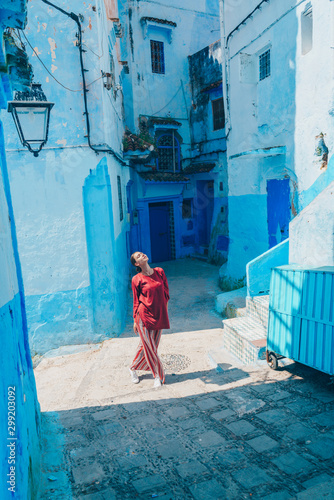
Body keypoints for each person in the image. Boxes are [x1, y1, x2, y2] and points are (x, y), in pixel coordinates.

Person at [129, 251, 170, 388]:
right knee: (150, 347)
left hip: (159, 314)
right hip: (143, 316)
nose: (143, 255)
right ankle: (158, 375)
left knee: (147, 346)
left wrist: (165, 312)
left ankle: (132, 368)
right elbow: (136, 301)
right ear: (137, 263)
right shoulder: (136, 279)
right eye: (139, 256)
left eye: (142, 253)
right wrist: (135, 320)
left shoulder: (160, 272)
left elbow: (166, 294)